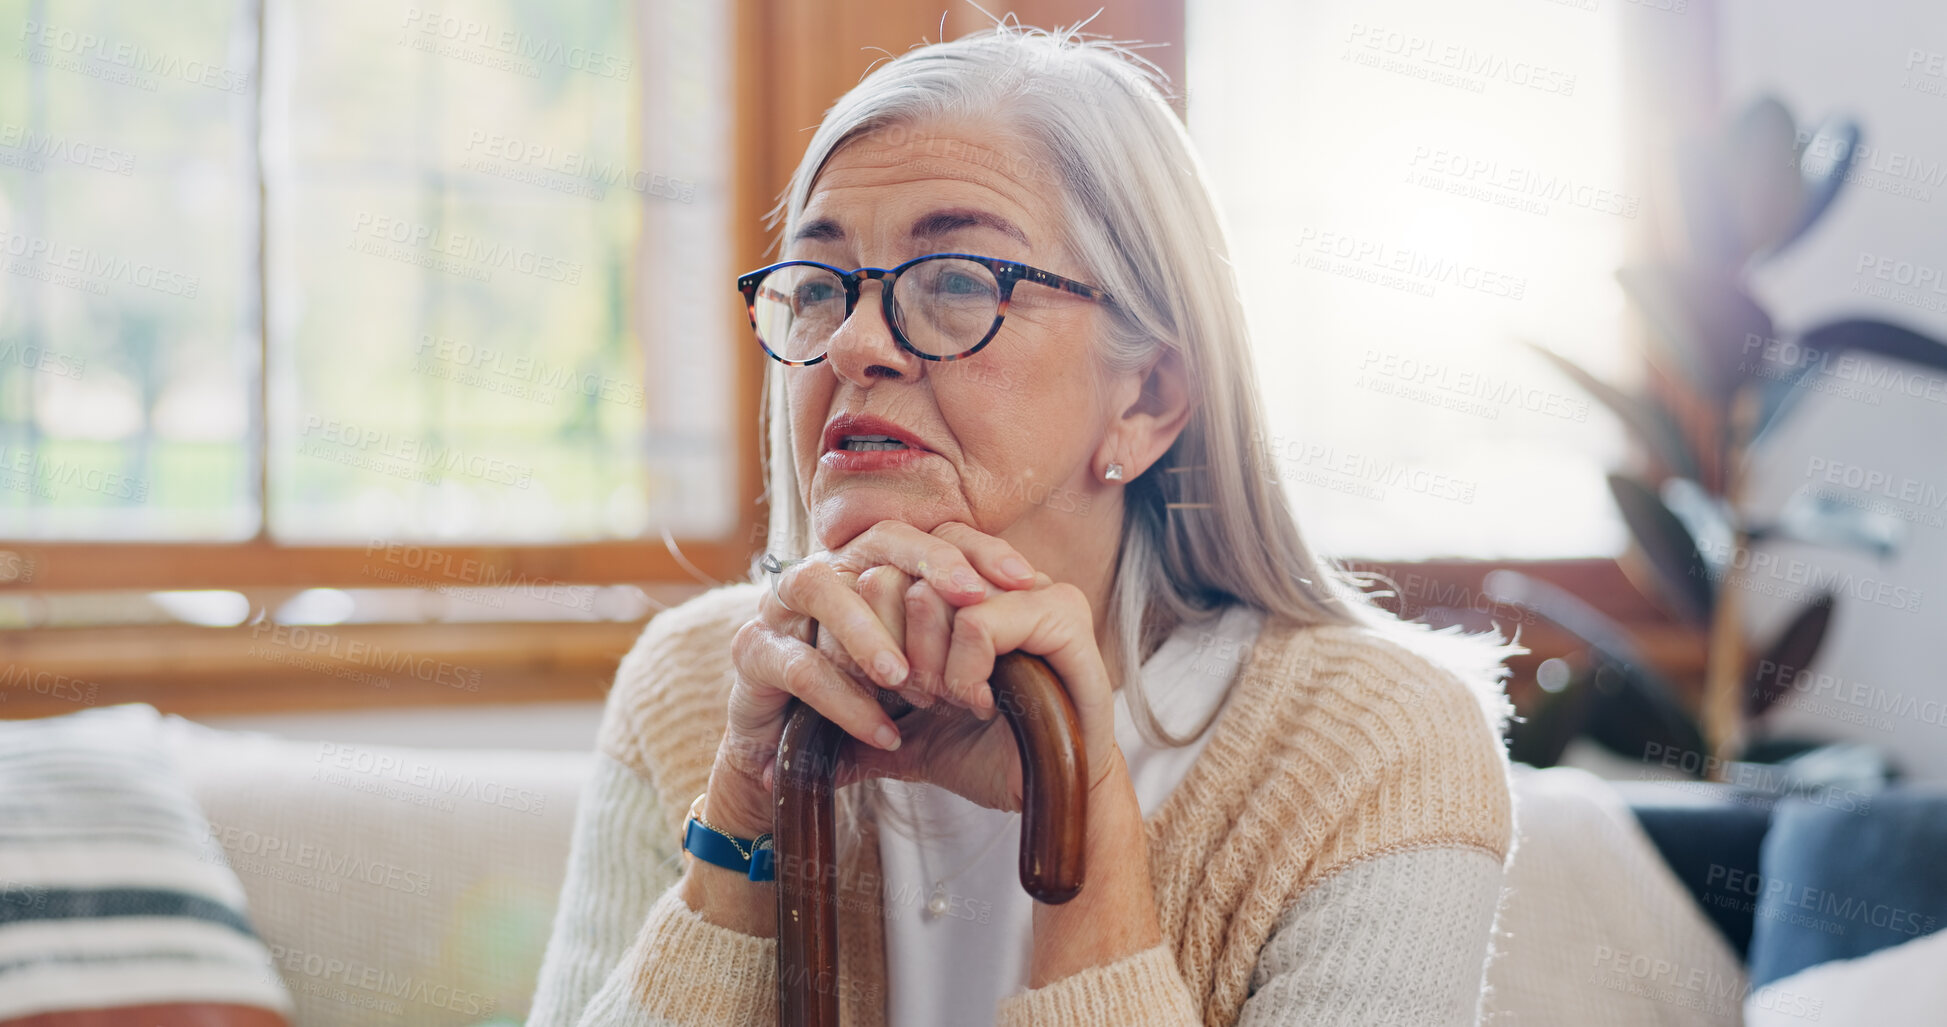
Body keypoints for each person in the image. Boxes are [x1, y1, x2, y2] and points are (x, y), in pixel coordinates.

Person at [529, 20, 1515, 1027]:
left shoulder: (1378, 748)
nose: (857, 342)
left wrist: (1087, 852)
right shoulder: (698, 687)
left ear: (1149, 396)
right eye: (822, 289)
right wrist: (741, 817)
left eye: (959, 280)